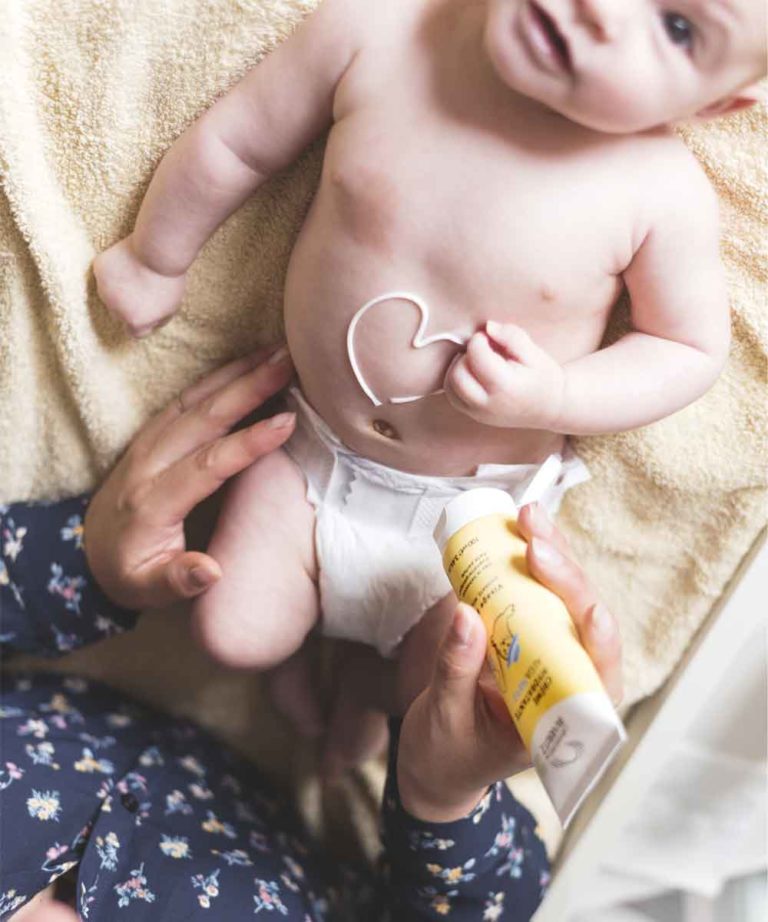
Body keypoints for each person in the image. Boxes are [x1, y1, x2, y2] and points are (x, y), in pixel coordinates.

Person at [91, 0, 763, 749]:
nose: (601, 9)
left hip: (475, 521)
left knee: (441, 686)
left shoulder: (658, 191)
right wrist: (157, 256)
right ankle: (313, 661)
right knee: (232, 629)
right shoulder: (383, 32)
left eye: (677, 26)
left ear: (716, 103)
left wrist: (557, 395)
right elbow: (238, 145)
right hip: (311, 461)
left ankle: (368, 688)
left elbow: (686, 350)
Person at [0, 350, 623, 921]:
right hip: (392, 710)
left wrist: (83, 561)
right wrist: (443, 796)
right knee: (451, 646)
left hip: (227, 544)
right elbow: (492, 910)